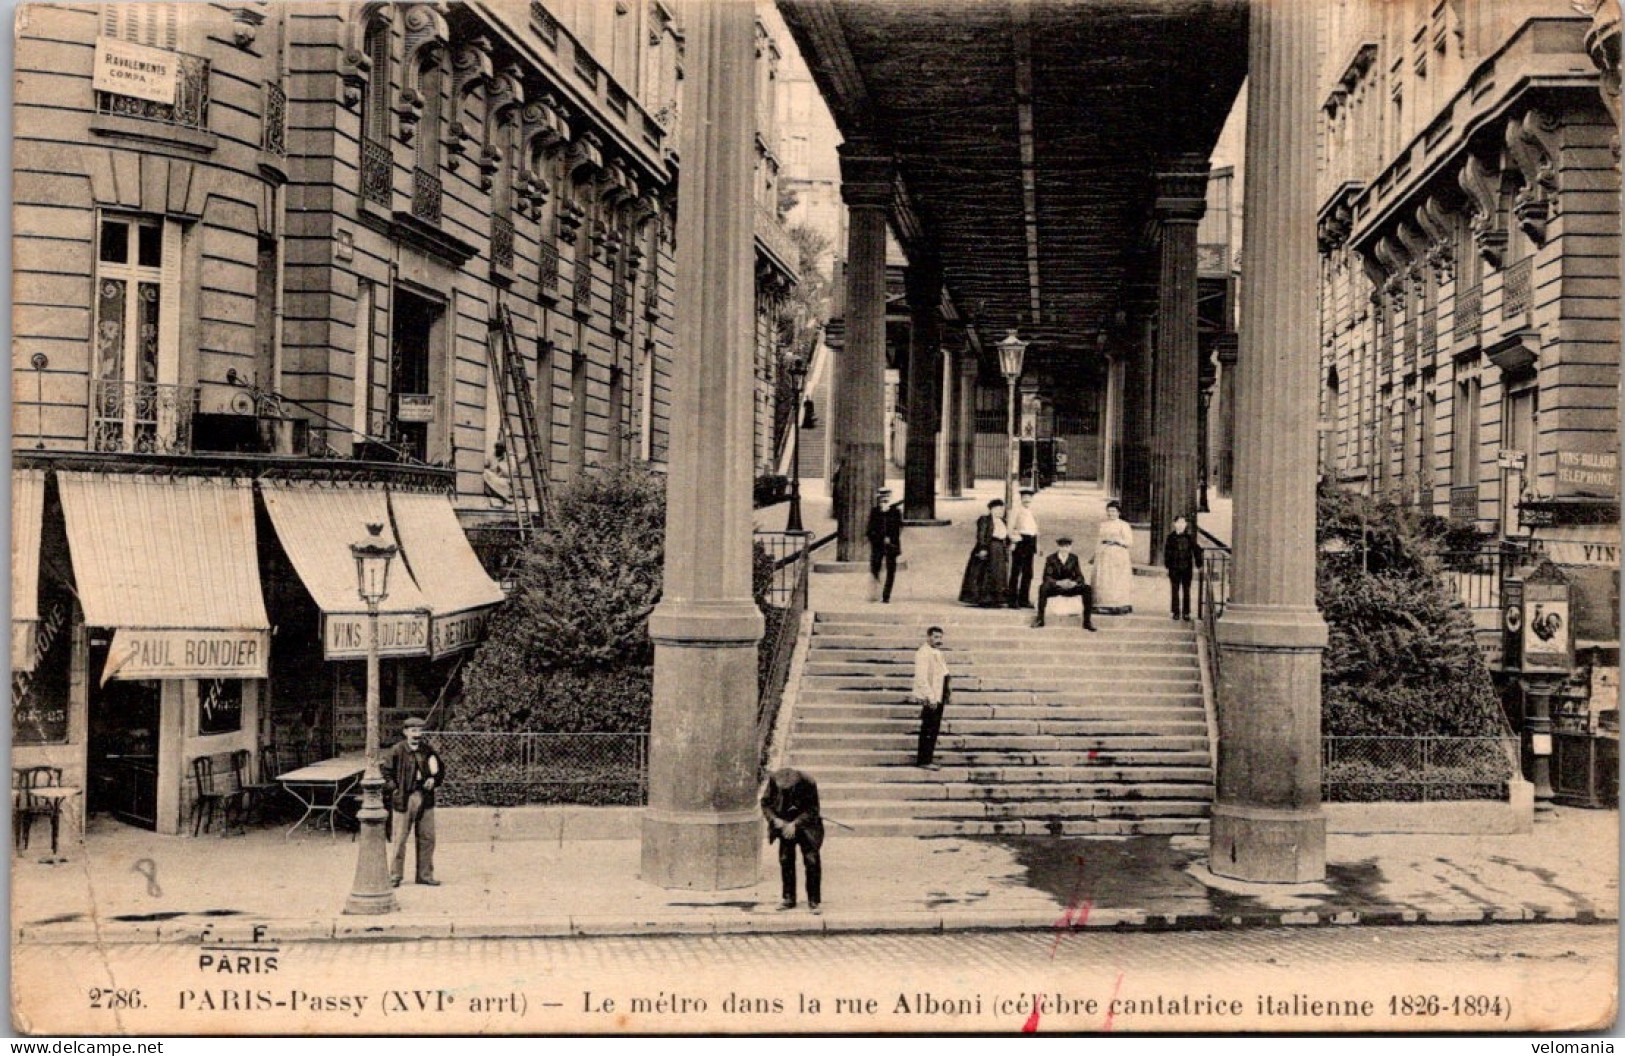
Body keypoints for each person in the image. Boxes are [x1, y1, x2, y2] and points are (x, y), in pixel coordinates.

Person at [382, 716, 443, 888]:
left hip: (425, 798)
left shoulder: (428, 750)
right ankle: (395, 875)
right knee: (400, 838)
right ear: (405, 732)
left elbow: (439, 770)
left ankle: (425, 875)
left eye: (419, 730)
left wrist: (434, 779)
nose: (417, 734)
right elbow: (386, 773)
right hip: (404, 798)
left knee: (427, 837)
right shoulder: (396, 750)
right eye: (413, 730)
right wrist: (395, 790)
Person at [761, 767, 823, 914]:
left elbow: (813, 810)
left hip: (807, 826)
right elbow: (765, 803)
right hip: (784, 824)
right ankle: (789, 898)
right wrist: (774, 819)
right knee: (786, 859)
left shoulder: (808, 782)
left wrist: (795, 824)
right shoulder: (774, 780)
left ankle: (814, 901)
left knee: (812, 861)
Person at [1034, 536, 1097, 631]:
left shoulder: (1074, 558)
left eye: (1067, 546)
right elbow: (1046, 576)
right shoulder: (1051, 558)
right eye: (1062, 546)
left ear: (1070, 547)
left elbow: (1080, 576)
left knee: (1087, 588)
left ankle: (1087, 621)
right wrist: (1058, 582)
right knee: (1043, 587)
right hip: (1056, 587)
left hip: (1070, 587)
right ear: (1058, 547)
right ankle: (1040, 619)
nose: (1065, 549)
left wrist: (1074, 583)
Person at [958, 499, 1011, 607]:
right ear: (991, 510)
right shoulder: (985, 520)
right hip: (989, 547)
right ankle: (984, 599)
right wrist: (983, 548)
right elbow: (981, 534)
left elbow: (1006, 536)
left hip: (999, 549)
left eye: (1001, 509)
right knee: (985, 573)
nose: (999, 511)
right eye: (997, 509)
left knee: (998, 574)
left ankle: (996, 599)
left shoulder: (1003, 521)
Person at [911, 625, 951, 768]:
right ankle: (924, 760)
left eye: (940, 637)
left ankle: (928, 758)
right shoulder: (923, 653)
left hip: (939, 696)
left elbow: (944, 673)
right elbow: (922, 678)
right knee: (928, 728)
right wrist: (931, 697)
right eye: (935, 637)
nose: (938, 640)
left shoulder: (937, 652)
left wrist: (947, 692)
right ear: (928, 637)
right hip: (931, 697)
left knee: (934, 728)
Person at [1092, 499, 1135, 614]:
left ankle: (1118, 604)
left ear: (1119, 512)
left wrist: (1117, 541)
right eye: (1109, 511)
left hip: (1118, 554)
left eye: (1114, 511)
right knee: (1104, 578)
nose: (1111, 514)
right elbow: (1099, 540)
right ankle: (1103, 604)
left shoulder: (1124, 525)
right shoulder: (1103, 525)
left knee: (1117, 579)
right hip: (1104, 554)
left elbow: (1129, 541)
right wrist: (1095, 554)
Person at [865, 486, 904, 603]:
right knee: (875, 568)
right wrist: (878, 538)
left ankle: (886, 595)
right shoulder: (875, 512)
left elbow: (899, 528)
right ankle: (875, 591)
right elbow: (869, 530)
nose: (884, 500)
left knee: (891, 571)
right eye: (882, 498)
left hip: (891, 545)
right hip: (878, 545)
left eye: (886, 498)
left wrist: (891, 538)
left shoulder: (896, 512)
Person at [1164, 514, 1203, 621]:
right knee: (1175, 590)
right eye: (1178, 522)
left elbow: (1197, 551)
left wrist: (1199, 564)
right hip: (1174, 568)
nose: (1180, 525)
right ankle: (1175, 612)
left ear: (1185, 525)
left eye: (1183, 523)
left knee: (1186, 590)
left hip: (1186, 568)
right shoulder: (1170, 537)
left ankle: (1186, 612)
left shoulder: (1189, 538)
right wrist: (1167, 565)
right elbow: (1167, 552)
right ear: (1174, 524)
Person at [1007, 486, 1040, 608]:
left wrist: (1038, 545)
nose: (1027, 500)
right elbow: (1010, 528)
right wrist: (1014, 541)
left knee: (1028, 572)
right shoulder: (1016, 510)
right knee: (1016, 571)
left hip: (1030, 543)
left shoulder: (1032, 511)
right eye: (1025, 497)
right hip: (1021, 541)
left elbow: (1035, 529)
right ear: (1021, 498)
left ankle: (1023, 599)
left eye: (1029, 497)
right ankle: (1012, 600)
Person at [483, 442, 514, 507]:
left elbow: (510, 470)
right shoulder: (491, 457)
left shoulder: (508, 458)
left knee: (503, 483)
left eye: (501, 449)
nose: (499, 450)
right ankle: (498, 497)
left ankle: (503, 497)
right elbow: (485, 465)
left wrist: (502, 467)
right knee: (486, 473)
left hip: (503, 478)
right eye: (498, 448)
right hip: (493, 477)